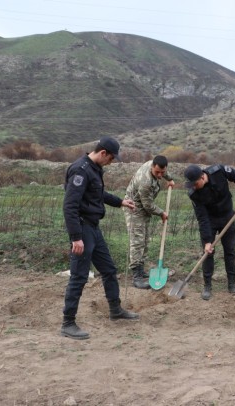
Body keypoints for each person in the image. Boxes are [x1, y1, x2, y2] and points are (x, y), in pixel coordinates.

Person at [61, 137, 139, 340]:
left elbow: (99, 194)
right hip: (82, 229)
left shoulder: (94, 169)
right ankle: (68, 323)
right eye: (111, 159)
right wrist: (76, 238)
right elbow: (69, 206)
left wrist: (121, 202)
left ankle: (115, 309)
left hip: (94, 229)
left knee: (109, 270)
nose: (111, 163)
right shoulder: (80, 169)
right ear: (103, 152)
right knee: (79, 276)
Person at [184, 164, 235, 300]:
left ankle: (231, 283)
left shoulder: (219, 171)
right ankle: (207, 286)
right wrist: (208, 241)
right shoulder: (194, 194)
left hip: (227, 216)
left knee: (229, 251)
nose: (193, 187)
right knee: (208, 253)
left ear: (202, 177)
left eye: (195, 183)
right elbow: (202, 218)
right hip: (210, 220)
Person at [123, 155, 175, 289]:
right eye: (157, 172)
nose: (159, 175)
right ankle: (136, 277)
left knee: (145, 240)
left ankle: (141, 270)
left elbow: (164, 172)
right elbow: (148, 205)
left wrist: (169, 179)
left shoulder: (157, 166)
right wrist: (161, 213)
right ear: (152, 166)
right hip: (134, 209)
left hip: (143, 209)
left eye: (162, 172)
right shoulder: (145, 182)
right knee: (137, 242)